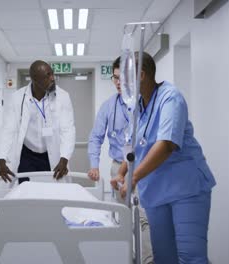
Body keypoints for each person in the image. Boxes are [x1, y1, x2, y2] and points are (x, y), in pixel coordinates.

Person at [111, 51, 216, 264]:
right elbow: (135, 147)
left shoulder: (171, 97)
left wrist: (134, 178)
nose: (120, 83)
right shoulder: (138, 107)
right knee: (164, 258)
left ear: (140, 75)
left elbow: (166, 145)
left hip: (185, 189)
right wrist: (122, 172)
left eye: (124, 77)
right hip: (156, 192)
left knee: (190, 257)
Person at [87, 57, 153, 264]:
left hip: (143, 167)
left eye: (121, 78)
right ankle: (125, 257)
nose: (118, 82)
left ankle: (147, 259)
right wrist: (94, 164)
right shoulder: (108, 107)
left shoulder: (146, 103)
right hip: (119, 168)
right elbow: (96, 137)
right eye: (114, 78)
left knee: (143, 217)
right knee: (122, 217)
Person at [0, 60, 75, 183]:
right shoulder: (17, 98)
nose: (52, 78)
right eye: (47, 76)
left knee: (53, 194)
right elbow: (8, 129)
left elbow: (68, 130)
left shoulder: (63, 96)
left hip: (52, 155)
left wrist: (64, 158)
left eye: (52, 74)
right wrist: (2, 158)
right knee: (25, 194)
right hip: (27, 155)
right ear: (34, 79)